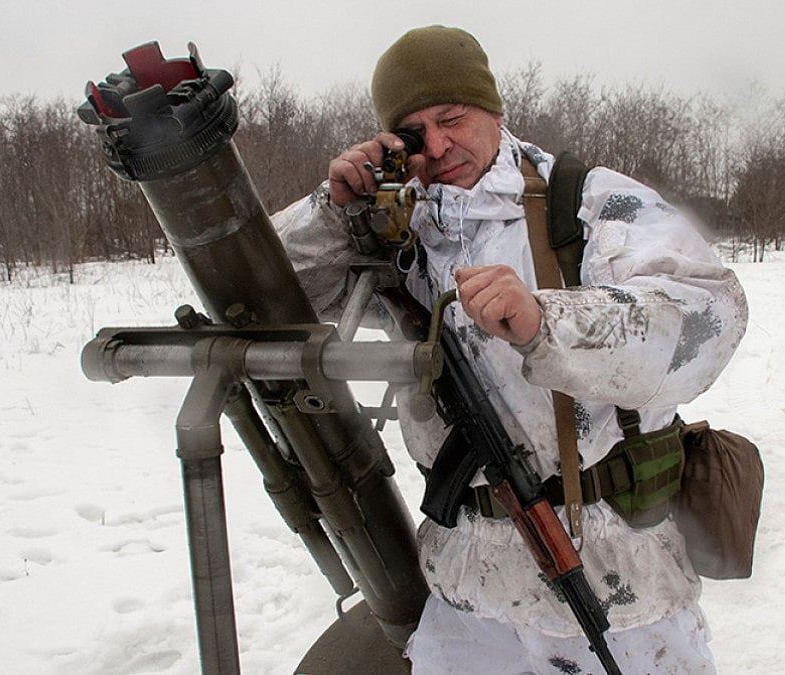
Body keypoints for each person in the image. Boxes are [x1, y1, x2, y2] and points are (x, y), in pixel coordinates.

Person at [271, 25, 748, 675]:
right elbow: (263, 303)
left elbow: (710, 317)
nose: (438, 146)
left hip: (610, 579)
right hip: (466, 587)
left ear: (495, 110)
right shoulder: (394, 228)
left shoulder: (587, 203)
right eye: (414, 134)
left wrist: (547, 322)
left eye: (452, 117)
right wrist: (332, 208)